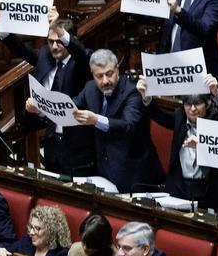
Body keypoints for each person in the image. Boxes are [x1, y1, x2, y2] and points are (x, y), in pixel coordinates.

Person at [0, 4, 95, 175]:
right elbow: (22, 50)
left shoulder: (83, 60)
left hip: (79, 146)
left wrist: (58, 28)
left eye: (59, 42)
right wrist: (1, 26)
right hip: (52, 143)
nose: (54, 47)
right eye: (50, 41)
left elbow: (81, 53)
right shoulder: (45, 55)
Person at [55, 49, 163, 193]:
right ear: (92, 74)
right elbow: (70, 107)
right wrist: (41, 108)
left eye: (109, 74)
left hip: (135, 175)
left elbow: (128, 125)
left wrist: (96, 120)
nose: (105, 81)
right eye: (99, 76)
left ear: (117, 68)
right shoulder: (89, 88)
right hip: (105, 168)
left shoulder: (132, 91)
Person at [139, 74, 218, 210]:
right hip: (179, 187)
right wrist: (146, 96)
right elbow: (159, 116)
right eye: (188, 104)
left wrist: (216, 92)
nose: (193, 109)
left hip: (207, 190)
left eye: (198, 103)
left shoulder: (215, 119)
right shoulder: (179, 117)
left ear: (207, 104)